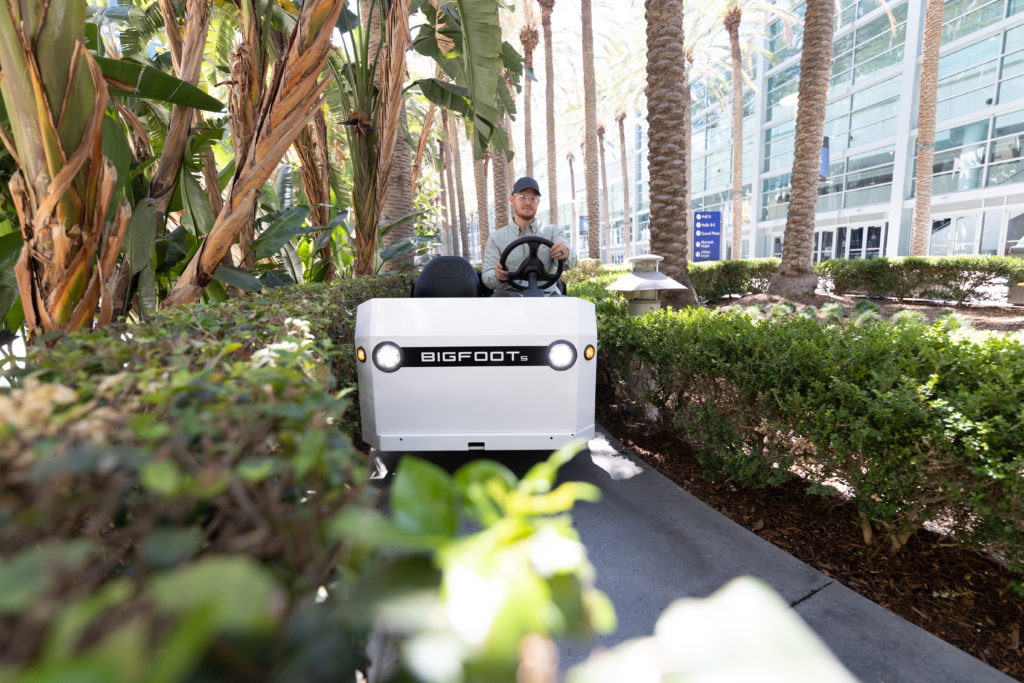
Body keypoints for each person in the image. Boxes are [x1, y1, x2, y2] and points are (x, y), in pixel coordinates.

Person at [481, 176, 577, 296]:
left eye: (533, 198)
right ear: (511, 200)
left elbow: (572, 261)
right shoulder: (496, 238)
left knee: (565, 307)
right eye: (522, 197)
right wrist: (497, 276)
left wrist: (566, 253)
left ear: (538, 202)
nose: (528, 202)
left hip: (547, 296)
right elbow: (487, 275)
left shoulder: (552, 232)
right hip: (508, 297)